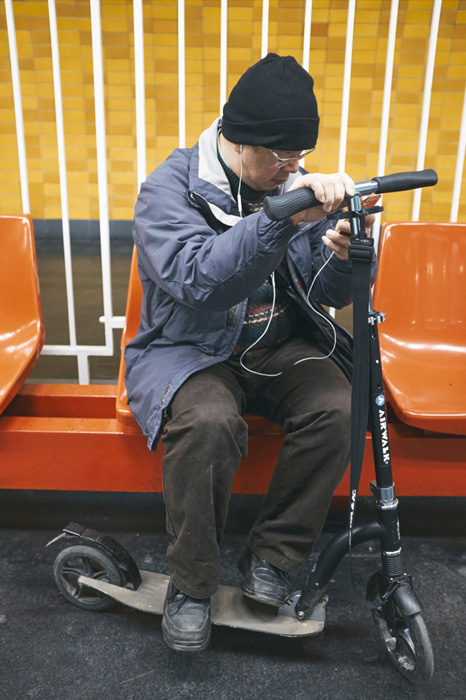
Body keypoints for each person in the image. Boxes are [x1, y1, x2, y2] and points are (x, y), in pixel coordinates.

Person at [125, 53, 377, 652]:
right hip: (192, 351)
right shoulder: (168, 188)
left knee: (341, 407)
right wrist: (284, 219)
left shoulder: (287, 179)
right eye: (282, 158)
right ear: (239, 141)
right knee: (209, 421)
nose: (294, 170)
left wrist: (341, 256)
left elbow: (323, 289)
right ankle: (190, 584)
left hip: (277, 344)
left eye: (301, 159)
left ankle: (273, 557)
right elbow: (200, 281)